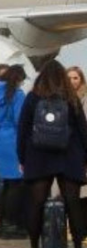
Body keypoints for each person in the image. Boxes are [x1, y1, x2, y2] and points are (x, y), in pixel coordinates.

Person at [17, 60, 87, 248]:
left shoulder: (32, 97)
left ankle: (34, 244)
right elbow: (83, 129)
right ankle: (78, 243)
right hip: (69, 155)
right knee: (73, 203)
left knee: (36, 203)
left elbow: (22, 130)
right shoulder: (71, 97)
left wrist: (22, 158)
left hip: (38, 156)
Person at [0, 64, 28, 236]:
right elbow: (20, 120)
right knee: (16, 183)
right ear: (18, 79)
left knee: (7, 184)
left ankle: (2, 224)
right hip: (14, 139)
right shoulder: (17, 95)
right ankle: (12, 224)